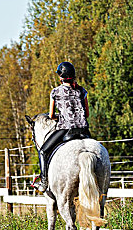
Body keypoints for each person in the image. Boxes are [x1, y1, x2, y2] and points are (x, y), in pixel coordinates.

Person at [32, 61, 91, 193]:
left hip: (66, 129)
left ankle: (43, 181)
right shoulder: (82, 91)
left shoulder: (55, 92)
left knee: (43, 151)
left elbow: (52, 115)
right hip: (84, 130)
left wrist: (62, 117)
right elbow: (86, 114)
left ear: (60, 77)